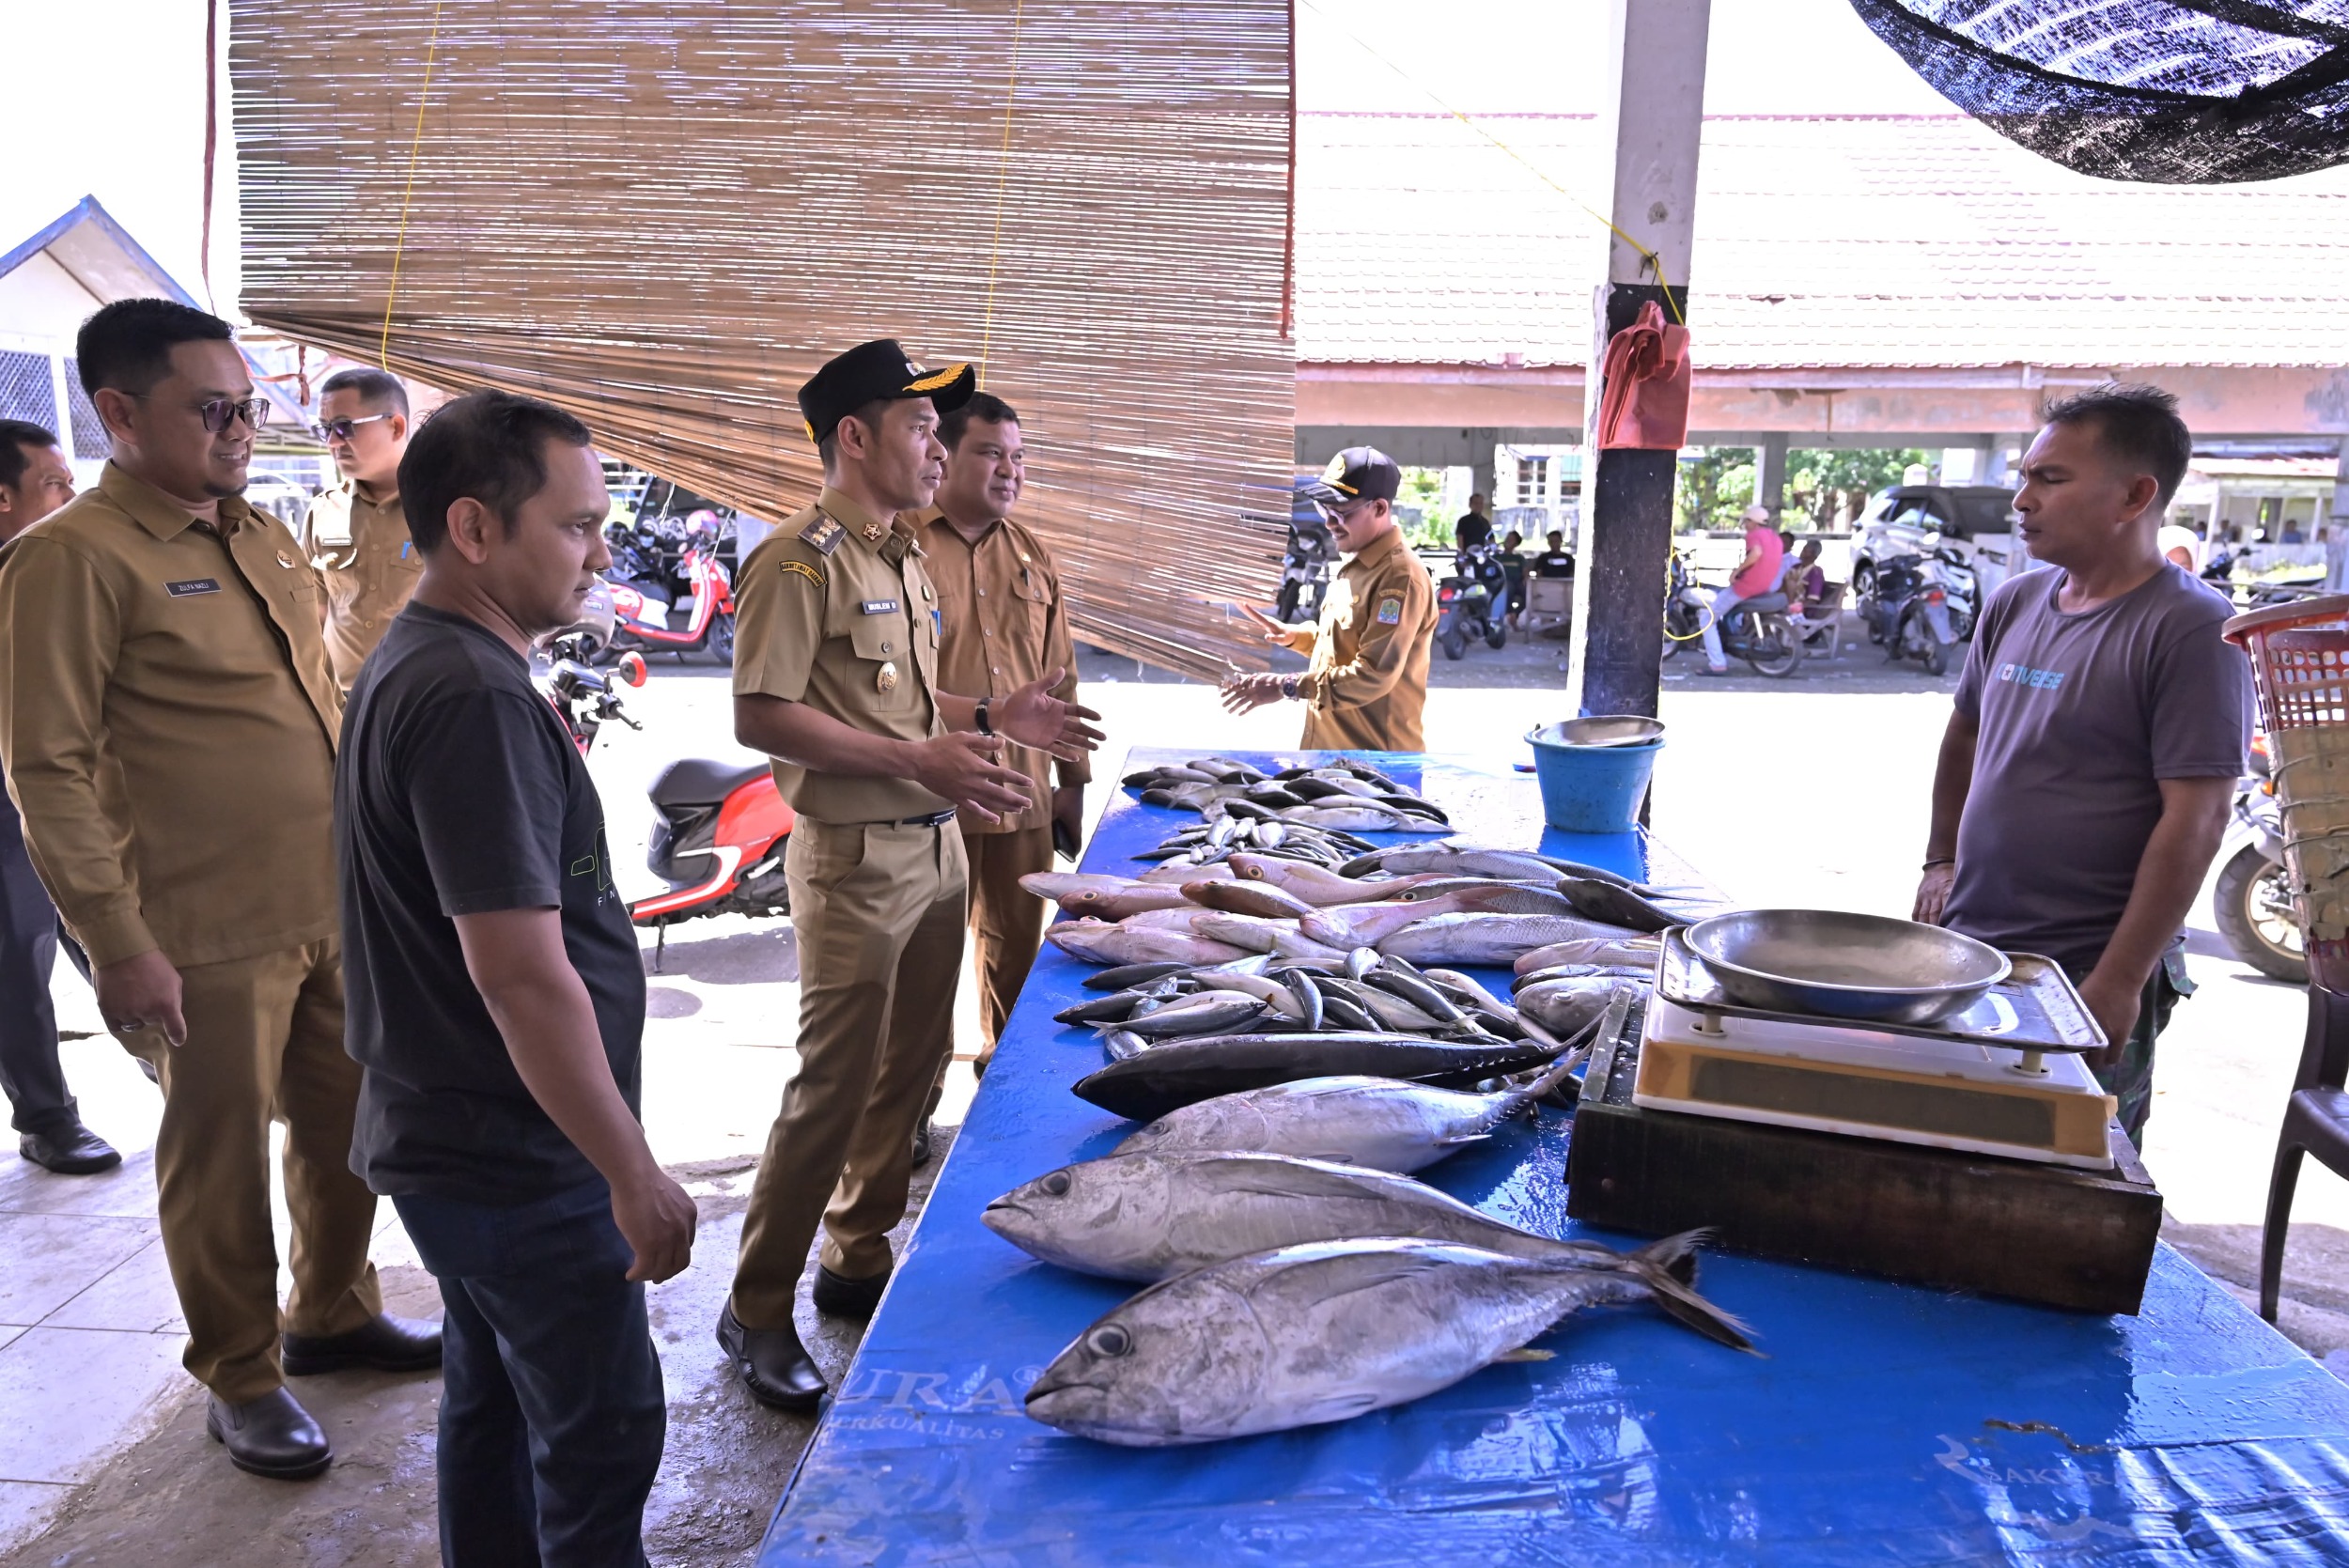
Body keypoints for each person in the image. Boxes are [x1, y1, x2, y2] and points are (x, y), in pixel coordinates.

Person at [0, 300, 434, 1481]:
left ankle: (331, 1310)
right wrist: (116, 942)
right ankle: (241, 1373)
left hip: (331, 898)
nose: (242, 428)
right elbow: (47, 768)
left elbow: (322, 701)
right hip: (198, 927)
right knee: (220, 1154)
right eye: (212, 409)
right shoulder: (70, 559)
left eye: (248, 407)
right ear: (120, 412)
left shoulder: (263, 534)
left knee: (350, 1121)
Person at [337, 390, 689, 1562]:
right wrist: (628, 1169)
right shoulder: (472, 695)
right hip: (513, 1154)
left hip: (456, 1134)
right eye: (577, 527)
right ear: (476, 528)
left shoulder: (428, 656)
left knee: (490, 1410)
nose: (601, 556)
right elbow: (521, 977)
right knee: (601, 1432)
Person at [719, 340, 1101, 1410]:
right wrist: (918, 759)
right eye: (921, 428)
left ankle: (858, 1250)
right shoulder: (798, 560)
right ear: (855, 436)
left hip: (931, 845)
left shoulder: (894, 556)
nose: (937, 447)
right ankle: (755, 1306)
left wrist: (992, 716)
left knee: (913, 1063)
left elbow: (904, 700)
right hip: (855, 860)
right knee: (833, 1088)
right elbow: (762, 713)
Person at [1914, 384, 2252, 1143]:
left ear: (2135, 495)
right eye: (2026, 477)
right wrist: (1940, 860)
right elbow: (1964, 736)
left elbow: (2198, 818)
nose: (2022, 499)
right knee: (1948, 1145)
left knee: (2065, 1161)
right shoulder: (2016, 601)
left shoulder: (2191, 628)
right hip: (1972, 944)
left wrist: (2121, 979)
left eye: (2051, 479)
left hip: (2085, 966)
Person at [915, 391, 1088, 1088]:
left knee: (1017, 958)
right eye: (990, 453)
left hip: (1022, 795)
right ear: (945, 455)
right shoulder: (900, 546)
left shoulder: (1032, 554)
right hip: (932, 796)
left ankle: (1004, 1091)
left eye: (1018, 457)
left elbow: (1062, 674)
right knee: (924, 967)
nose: (1009, 471)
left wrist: (1072, 782)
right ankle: (913, 1110)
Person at [0, 420, 117, 1173]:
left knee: (108, 929)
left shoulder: (64, 566)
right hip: (8, 803)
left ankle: (163, 1058)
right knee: (18, 954)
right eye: (54, 484)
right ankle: (46, 1116)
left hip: (81, 790)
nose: (72, 496)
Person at [1222, 446, 1439, 750]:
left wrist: (1287, 686)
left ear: (1379, 508)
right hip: (1334, 756)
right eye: (1325, 510)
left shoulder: (1399, 578)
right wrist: (1296, 637)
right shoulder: (1357, 564)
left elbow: (1372, 675)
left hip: (1377, 765)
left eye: (1341, 513)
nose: (1329, 523)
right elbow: (1346, 647)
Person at [303, 367, 419, 693]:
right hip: (343, 701)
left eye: (345, 427)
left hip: (423, 698)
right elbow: (313, 613)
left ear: (396, 426)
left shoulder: (443, 509)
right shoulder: (323, 512)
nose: (332, 442)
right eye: (325, 429)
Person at [1701, 504, 1786, 675]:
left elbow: (1756, 553)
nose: (1745, 525)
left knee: (1706, 619)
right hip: (1764, 586)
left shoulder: (1754, 535)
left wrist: (1736, 571)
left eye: (1746, 521)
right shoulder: (1775, 538)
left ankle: (1717, 664)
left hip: (1746, 587)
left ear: (1753, 522)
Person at [1497, 528, 1527, 624]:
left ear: (1516, 544)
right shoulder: (1496, 556)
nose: (1508, 540)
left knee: (1530, 594)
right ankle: (1509, 614)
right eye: (1507, 538)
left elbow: (1525, 572)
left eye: (1511, 539)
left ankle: (1514, 614)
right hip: (1502, 582)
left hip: (1518, 582)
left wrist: (1526, 579)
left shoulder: (1519, 558)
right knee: (1508, 588)